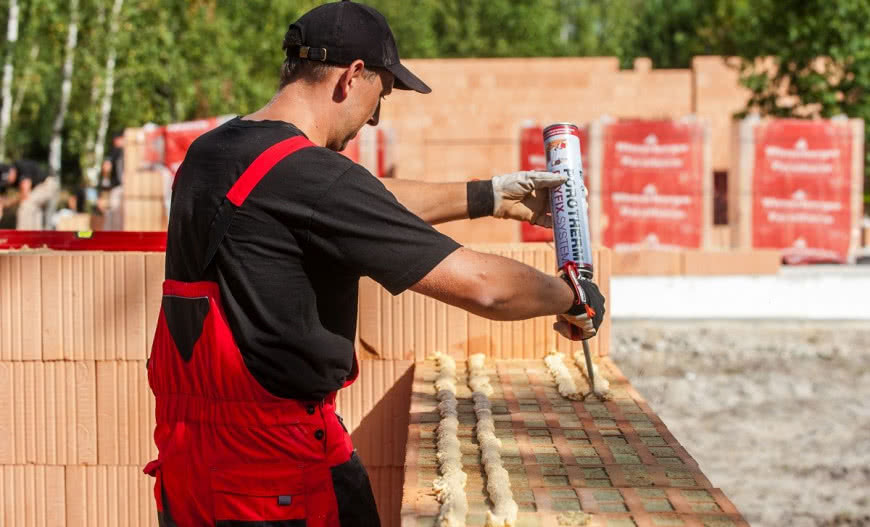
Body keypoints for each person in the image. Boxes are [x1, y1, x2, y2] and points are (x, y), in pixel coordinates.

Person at [144, 2, 606, 527]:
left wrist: (491, 196)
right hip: (276, 480)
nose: (374, 118)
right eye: (380, 97)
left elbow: (353, 201)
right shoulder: (314, 179)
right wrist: (572, 295)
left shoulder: (211, 153)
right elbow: (484, 286)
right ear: (352, 76)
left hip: (190, 469)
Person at [7, 159, 59, 230]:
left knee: (25, 206)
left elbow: (25, 193)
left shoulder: (21, 167)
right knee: (35, 209)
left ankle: (22, 235)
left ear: (11, 171)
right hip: (47, 184)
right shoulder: (17, 171)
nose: (8, 182)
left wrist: (11, 202)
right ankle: (36, 235)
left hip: (48, 184)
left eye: (8, 178)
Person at [99, 133, 125, 230]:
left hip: (118, 188)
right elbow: (106, 167)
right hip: (119, 187)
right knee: (115, 214)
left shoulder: (118, 151)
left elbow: (106, 168)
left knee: (113, 214)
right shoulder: (117, 151)